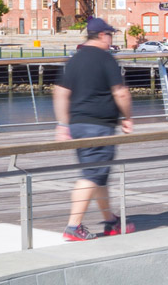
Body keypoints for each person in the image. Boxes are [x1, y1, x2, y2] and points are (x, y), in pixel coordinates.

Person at [54, 19, 133, 241]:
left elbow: (60, 92)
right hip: (99, 125)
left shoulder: (75, 59)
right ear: (101, 35)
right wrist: (128, 117)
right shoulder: (105, 59)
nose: (112, 39)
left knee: (99, 174)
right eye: (111, 35)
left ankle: (111, 221)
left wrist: (63, 124)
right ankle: (73, 226)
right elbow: (121, 93)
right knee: (90, 175)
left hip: (78, 125)